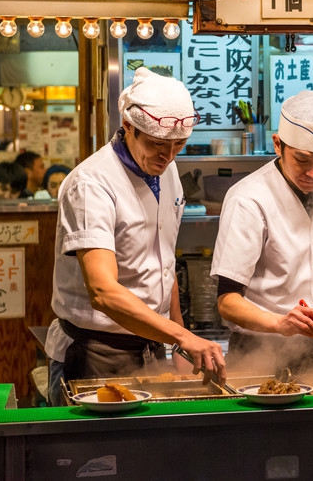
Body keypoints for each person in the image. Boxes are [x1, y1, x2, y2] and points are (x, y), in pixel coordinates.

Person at [44, 67, 225, 406]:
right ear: (128, 127)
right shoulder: (92, 184)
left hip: (151, 346)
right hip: (96, 351)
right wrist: (183, 337)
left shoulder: (167, 170)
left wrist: (175, 341)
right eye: (157, 144)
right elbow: (102, 292)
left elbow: (163, 259)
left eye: (178, 146)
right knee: (98, 458)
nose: (168, 156)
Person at [211, 90, 313, 374]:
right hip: (259, 349)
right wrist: (280, 323)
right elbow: (227, 302)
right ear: (278, 145)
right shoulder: (248, 198)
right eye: (302, 160)